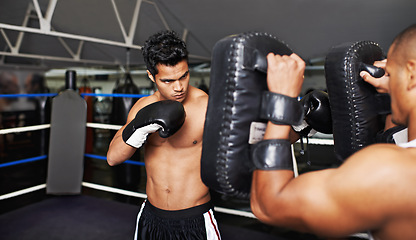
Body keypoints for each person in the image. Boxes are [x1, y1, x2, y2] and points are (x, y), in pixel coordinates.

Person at [250, 24, 416, 240]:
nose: (386, 80)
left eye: (391, 74)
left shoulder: (390, 171)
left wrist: (282, 99)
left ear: (411, 74)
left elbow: (268, 206)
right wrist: (394, 86)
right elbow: (396, 138)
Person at [107, 30, 221, 240]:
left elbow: (249, 140)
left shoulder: (206, 105)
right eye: (168, 81)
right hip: (151, 217)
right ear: (151, 75)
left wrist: (295, 127)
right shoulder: (143, 107)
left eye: (184, 76)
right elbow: (113, 158)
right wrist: (139, 127)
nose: (178, 87)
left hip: (194, 219)